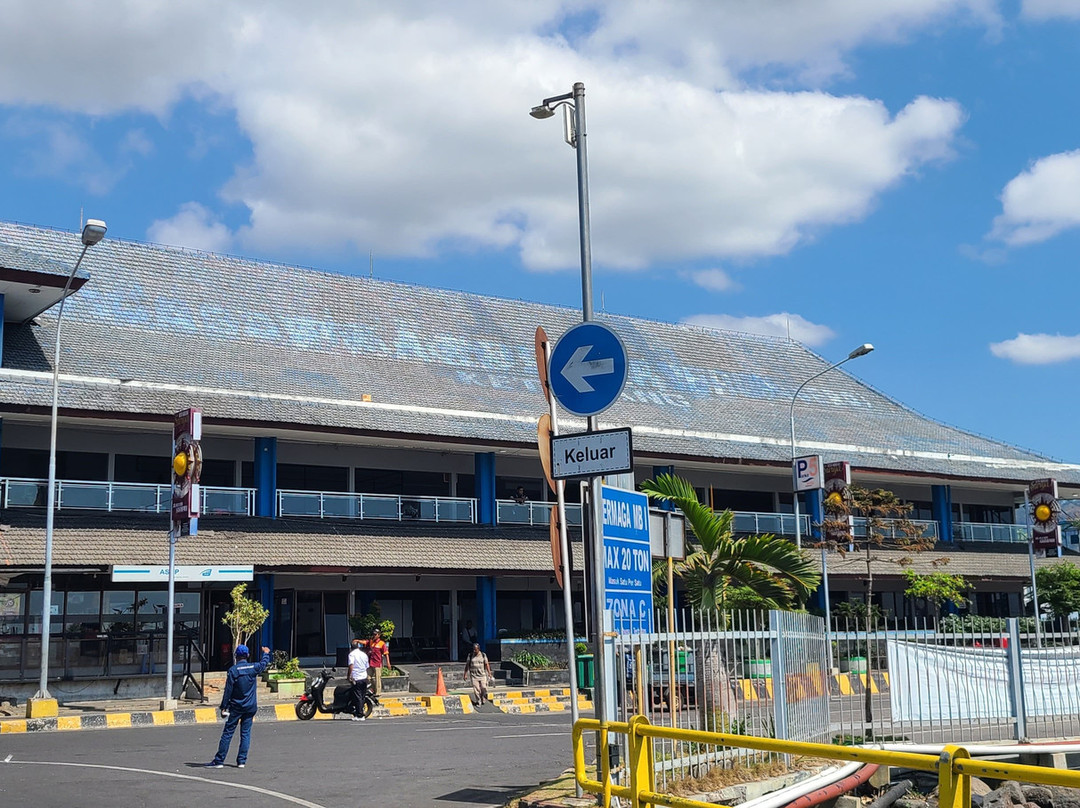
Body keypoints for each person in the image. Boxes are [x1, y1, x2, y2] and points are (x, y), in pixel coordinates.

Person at [206, 644, 271, 768]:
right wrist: (266, 653)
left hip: (236, 707)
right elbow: (263, 664)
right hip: (250, 706)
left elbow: (228, 690)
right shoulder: (254, 667)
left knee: (228, 733)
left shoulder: (233, 670)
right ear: (247, 655)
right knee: (245, 733)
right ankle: (241, 761)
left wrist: (224, 706)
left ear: (236, 656)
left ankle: (219, 760)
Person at [463, 642, 493, 709]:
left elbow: (487, 664)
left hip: (482, 675)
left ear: (478, 649)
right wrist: (465, 674)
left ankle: (482, 697)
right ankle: (478, 701)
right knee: (476, 689)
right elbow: (467, 665)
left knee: (483, 688)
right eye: (473, 649)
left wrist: (489, 673)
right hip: (474, 675)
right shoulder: (470, 655)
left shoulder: (483, 655)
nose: (474, 651)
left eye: (475, 649)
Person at [347, 637, 370, 721]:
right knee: (362, 696)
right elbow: (367, 666)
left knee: (358, 697)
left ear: (351, 647)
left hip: (356, 678)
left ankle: (359, 715)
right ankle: (360, 712)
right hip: (364, 677)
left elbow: (351, 666)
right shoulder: (364, 655)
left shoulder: (352, 655)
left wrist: (349, 676)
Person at [364, 628, 389, 697]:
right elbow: (365, 642)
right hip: (371, 663)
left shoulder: (382, 643)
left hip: (378, 663)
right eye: (373, 634)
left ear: (379, 635)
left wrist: (388, 663)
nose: (374, 636)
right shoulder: (371, 642)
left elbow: (386, 653)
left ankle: (378, 692)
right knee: (368, 677)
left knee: (378, 678)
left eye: (375, 634)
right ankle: (374, 689)